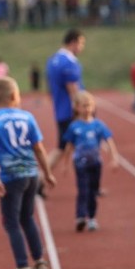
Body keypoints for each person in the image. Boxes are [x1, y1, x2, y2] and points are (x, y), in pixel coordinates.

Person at [0, 77, 57, 269]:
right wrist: (47, 173)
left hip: (11, 176)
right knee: (27, 217)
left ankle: (22, 266)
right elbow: (39, 148)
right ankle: (39, 261)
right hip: (31, 175)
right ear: (14, 96)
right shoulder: (27, 117)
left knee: (11, 222)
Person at [61, 91, 120, 232]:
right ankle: (81, 217)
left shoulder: (99, 125)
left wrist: (114, 158)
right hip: (80, 163)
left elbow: (109, 141)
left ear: (94, 107)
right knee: (83, 190)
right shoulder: (74, 127)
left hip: (95, 163)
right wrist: (65, 164)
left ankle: (92, 218)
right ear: (77, 108)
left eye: (90, 106)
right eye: (84, 106)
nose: (87, 109)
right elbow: (68, 147)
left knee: (93, 191)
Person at [46, 28, 87, 176]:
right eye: (81, 43)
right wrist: (83, 112)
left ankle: (39, 179)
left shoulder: (52, 60)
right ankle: (88, 186)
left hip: (61, 110)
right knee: (84, 148)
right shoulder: (69, 62)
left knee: (61, 148)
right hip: (71, 113)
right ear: (73, 42)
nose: (82, 48)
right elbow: (74, 91)